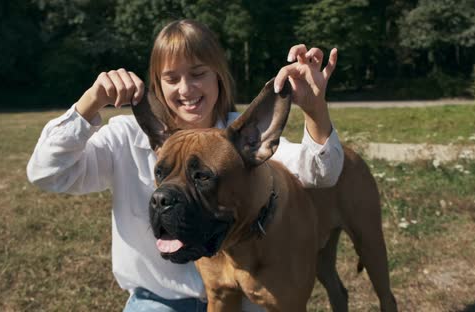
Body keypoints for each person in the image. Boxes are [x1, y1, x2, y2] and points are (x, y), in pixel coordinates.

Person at [27, 19, 344, 312]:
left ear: (218, 75)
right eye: (171, 78)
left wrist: (316, 110)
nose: (185, 89)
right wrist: (90, 103)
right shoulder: (128, 136)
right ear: (157, 85)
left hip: (243, 300)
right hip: (158, 301)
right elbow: (46, 172)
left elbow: (320, 172)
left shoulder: (241, 140)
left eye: (197, 74)